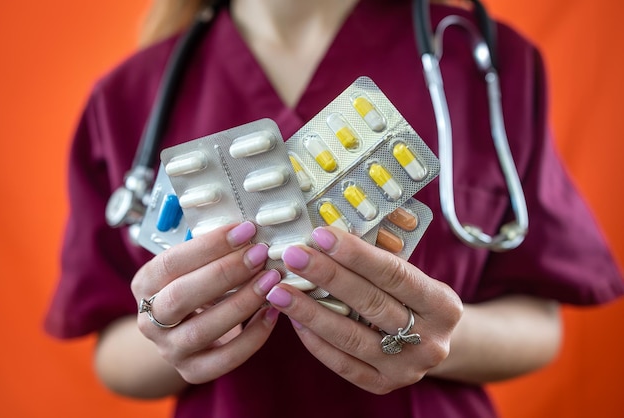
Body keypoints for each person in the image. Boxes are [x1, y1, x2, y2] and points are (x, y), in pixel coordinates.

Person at [44, 0, 624, 417]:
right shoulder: (125, 97)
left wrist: (434, 339)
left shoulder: (486, 64)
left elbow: (541, 328)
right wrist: (173, 334)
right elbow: (113, 356)